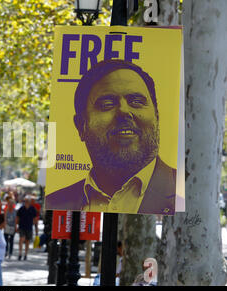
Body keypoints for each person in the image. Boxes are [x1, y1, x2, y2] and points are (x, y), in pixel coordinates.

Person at [45, 59, 176, 215]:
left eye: (136, 101)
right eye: (107, 104)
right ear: (81, 126)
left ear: (157, 116)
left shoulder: (185, 191)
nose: (124, 112)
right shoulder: (55, 202)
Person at [16, 196, 38, 261]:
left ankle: (25, 254)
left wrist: (35, 226)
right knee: (21, 239)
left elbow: (35, 219)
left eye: (27, 201)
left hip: (29, 227)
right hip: (22, 226)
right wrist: (16, 226)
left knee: (27, 241)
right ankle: (20, 253)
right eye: (25, 201)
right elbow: (17, 218)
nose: (26, 202)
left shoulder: (32, 209)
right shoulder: (21, 209)